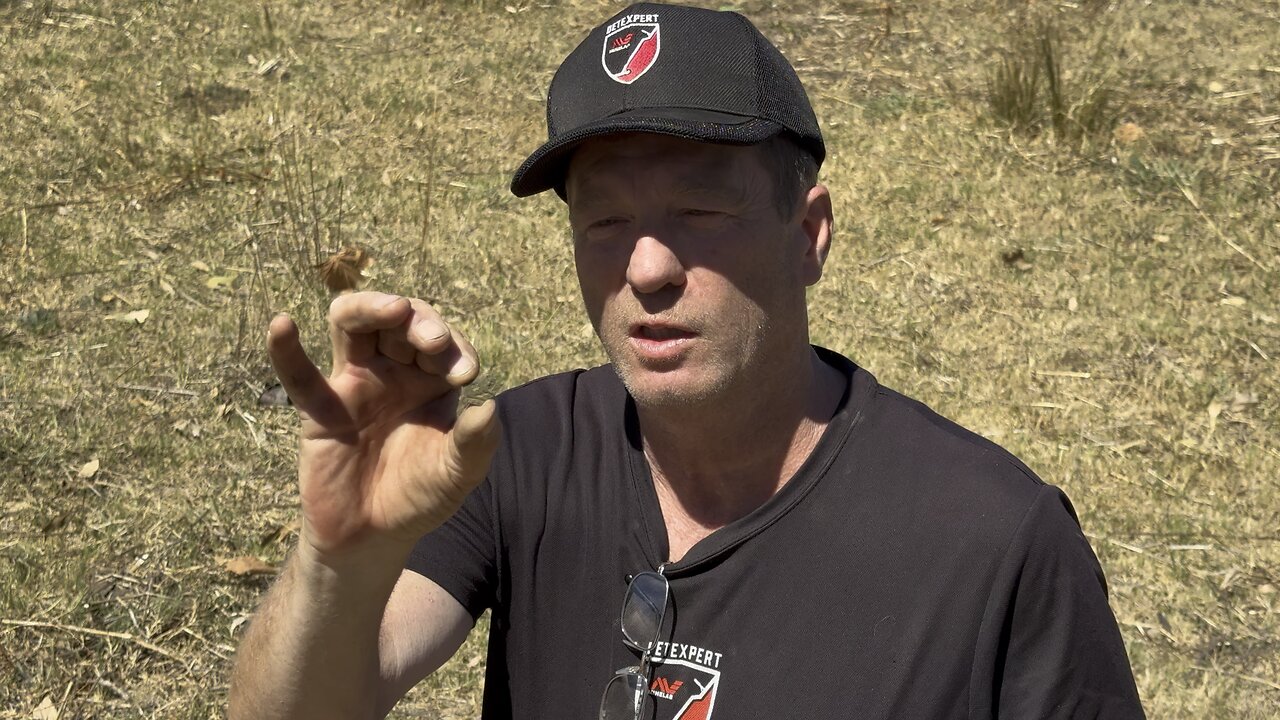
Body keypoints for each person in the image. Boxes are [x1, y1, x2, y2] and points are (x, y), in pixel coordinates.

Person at [228, 3, 1146, 719]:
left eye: (701, 213)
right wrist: (339, 563)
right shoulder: (525, 452)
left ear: (809, 234)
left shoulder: (991, 541)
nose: (647, 267)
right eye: (605, 221)